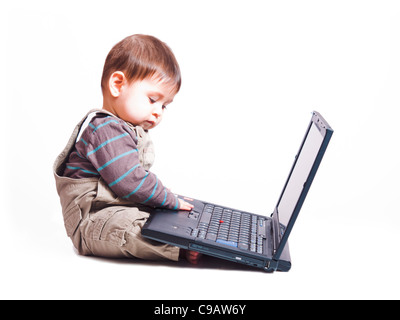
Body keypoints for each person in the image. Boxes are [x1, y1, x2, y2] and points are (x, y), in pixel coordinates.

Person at [53, 34, 201, 265]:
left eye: (164, 105)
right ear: (117, 84)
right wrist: (165, 198)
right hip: (91, 222)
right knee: (133, 229)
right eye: (152, 99)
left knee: (156, 215)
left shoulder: (123, 128)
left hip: (112, 209)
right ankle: (177, 245)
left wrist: (160, 198)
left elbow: (130, 183)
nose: (158, 112)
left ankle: (183, 232)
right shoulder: (106, 130)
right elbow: (130, 181)